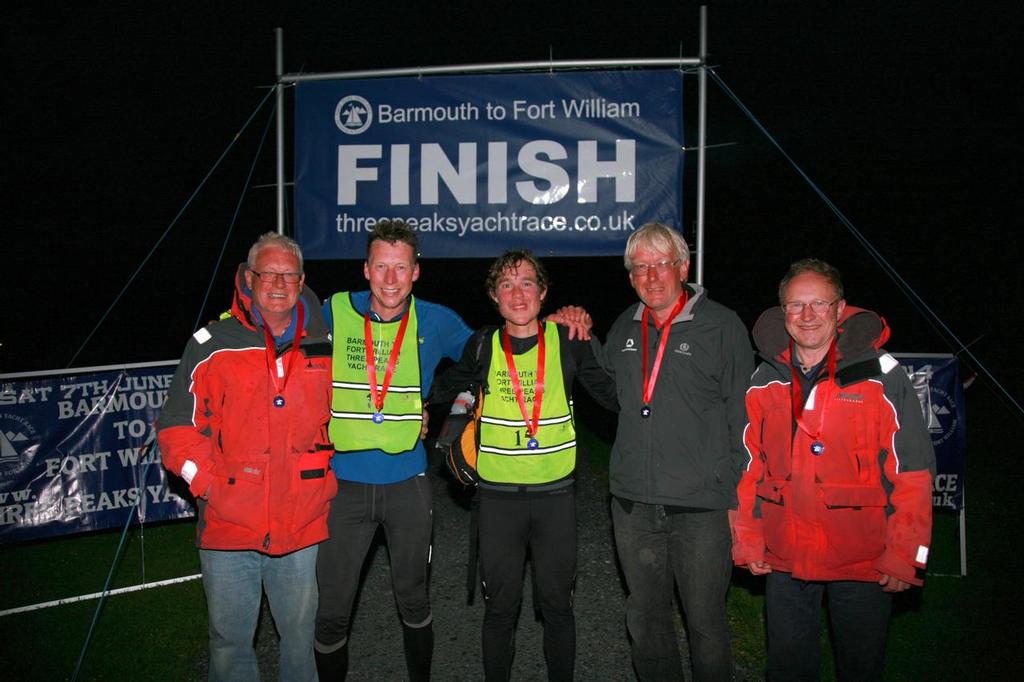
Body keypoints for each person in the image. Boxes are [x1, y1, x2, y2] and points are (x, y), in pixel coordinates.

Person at [732, 258, 935, 681]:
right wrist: (748, 542)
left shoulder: (882, 376)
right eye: (795, 305)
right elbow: (748, 469)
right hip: (786, 558)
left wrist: (905, 557)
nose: (807, 316)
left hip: (862, 561)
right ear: (781, 312)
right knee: (787, 670)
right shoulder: (763, 380)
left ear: (840, 309)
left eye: (819, 304)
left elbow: (912, 470)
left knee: (860, 670)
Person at [430, 250, 617, 681]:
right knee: (500, 610)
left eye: (527, 283)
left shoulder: (568, 340)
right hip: (496, 501)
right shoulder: (482, 345)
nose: (518, 293)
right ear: (494, 298)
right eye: (507, 285)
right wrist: (415, 407)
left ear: (544, 292)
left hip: (555, 499)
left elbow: (613, 396)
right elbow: (443, 387)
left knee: (557, 608)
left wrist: (590, 330)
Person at [158, 232, 337, 681]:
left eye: (289, 275)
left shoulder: (327, 343)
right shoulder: (211, 343)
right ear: (249, 278)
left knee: (300, 641)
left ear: (302, 281)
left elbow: (352, 412)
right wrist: (213, 487)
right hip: (228, 526)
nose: (279, 284)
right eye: (268, 274)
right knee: (230, 646)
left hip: (301, 524)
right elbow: (177, 430)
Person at [314, 220, 473, 681]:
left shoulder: (436, 319)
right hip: (342, 486)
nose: (389, 279)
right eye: (381, 267)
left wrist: (441, 403)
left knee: (415, 599)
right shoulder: (333, 311)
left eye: (400, 268)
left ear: (415, 272)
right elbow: (278, 335)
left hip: (409, 485)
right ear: (365, 269)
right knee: (333, 611)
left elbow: (489, 355)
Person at [599, 222, 753, 682]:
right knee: (646, 622)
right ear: (630, 276)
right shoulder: (624, 326)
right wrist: (578, 331)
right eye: (639, 267)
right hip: (634, 505)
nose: (650, 276)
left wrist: (736, 498)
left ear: (683, 267)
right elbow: (607, 393)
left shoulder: (722, 326)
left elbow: (743, 419)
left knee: (705, 624)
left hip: (701, 507)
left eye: (661, 264)